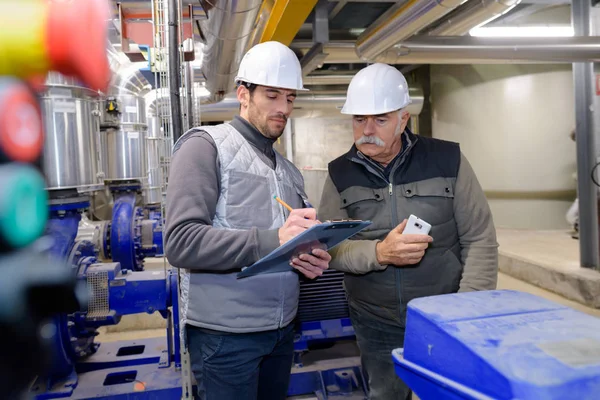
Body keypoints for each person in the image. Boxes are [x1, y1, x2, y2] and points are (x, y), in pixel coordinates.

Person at [317, 63, 499, 400]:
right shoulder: (339, 174)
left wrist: (467, 309)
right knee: (386, 394)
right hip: (376, 320)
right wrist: (379, 253)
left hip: (445, 316)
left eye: (380, 119)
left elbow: (480, 239)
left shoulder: (448, 160)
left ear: (403, 119)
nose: (367, 130)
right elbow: (330, 249)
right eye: (359, 119)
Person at [164, 41, 331, 400]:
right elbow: (180, 241)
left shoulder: (287, 170)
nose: (283, 108)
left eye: (290, 98)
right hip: (226, 339)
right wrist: (275, 240)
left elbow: (290, 240)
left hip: (282, 331)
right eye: (272, 95)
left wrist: (310, 255)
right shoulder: (206, 146)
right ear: (244, 94)